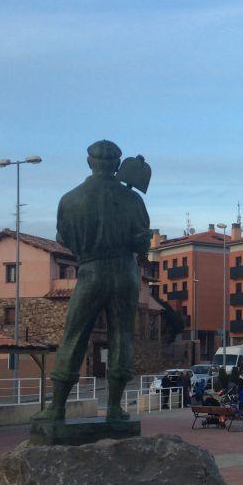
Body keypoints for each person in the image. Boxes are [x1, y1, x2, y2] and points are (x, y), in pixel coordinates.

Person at [34, 140, 151, 423]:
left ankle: (58, 408)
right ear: (117, 165)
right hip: (124, 272)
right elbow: (142, 241)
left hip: (90, 270)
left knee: (74, 336)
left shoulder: (70, 199)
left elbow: (63, 240)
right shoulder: (133, 199)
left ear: (89, 163)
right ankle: (114, 409)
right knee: (122, 336)